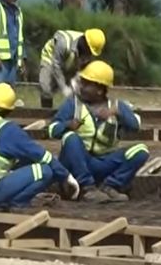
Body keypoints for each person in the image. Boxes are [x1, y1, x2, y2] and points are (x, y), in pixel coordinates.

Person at [0, 83, 77, 211]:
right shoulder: (7, 129)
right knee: (44, 171)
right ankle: (16, 204)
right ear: (10, 110)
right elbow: (42, 156)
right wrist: (66, 176)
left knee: (20, 161)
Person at [47, 61, 148, 203]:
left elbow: (135, 125)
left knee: (140, 151)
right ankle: (87, 188)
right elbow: (51, 130)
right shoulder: (73, 104)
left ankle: (110, 186)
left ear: (100, 90)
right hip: (79, 162)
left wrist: (117, 112)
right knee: (71, 138)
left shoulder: (116, 106)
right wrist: (67, 125)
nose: (82, 87)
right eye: (82, 82)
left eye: (87, 84)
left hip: (104, 161)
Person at [38, 28, 105, 108]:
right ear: (85, 42)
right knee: (46, 88)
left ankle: (74, 113)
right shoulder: (63, 42)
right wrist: (64, 88)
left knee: (78, 90)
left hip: (70, 61)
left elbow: (84, 69)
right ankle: (46, 113)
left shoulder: (87, 49)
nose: (89, 54)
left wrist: (76, 80)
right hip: (50, 57)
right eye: (89, 51)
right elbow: (56, 65)